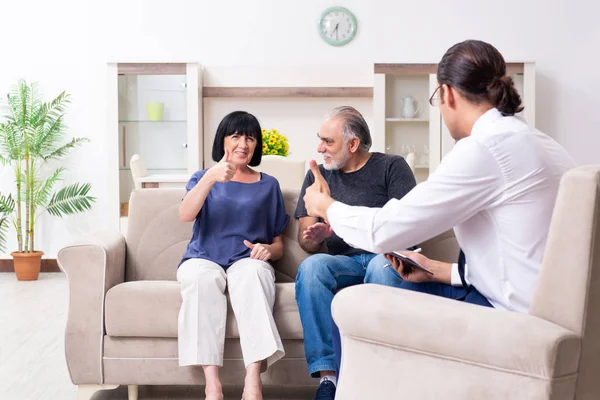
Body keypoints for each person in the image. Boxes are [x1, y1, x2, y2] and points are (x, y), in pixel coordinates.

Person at [304, 40, 576, 372]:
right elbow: (521, 261)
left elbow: (384, 231)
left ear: (447, 94)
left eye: (436, 100)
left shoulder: (483, 149)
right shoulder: (544, 143)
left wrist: (326, 204)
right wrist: (441, 269)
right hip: (546, 312)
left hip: (511, 319)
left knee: (352, 306)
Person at [294, 106, 416, 400]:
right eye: (320, 139)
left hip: (385, 257)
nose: (320, 148)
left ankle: (377, 376)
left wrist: (341, 223)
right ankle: (329, 378)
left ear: (353, 144)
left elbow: (407, 230)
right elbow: (305, 241)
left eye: (328, 142)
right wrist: (319, 234)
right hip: (343, 263)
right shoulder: (318, 176)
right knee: (311, 268)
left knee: (380, 268)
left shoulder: (392, 167)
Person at [178, 111, 289, 400]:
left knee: (252, 275)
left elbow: (279, 245)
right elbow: (185, 214)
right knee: (200, 280)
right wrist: (212, 177)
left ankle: (253, 380)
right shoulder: (203, 177)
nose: (243, 143)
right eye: (236, 136)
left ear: (256, 146)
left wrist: (268, 250)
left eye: (250, 137)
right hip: (204, 257)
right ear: (223, 141)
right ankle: (212, 385)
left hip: (247, 260)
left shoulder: (269, 185)